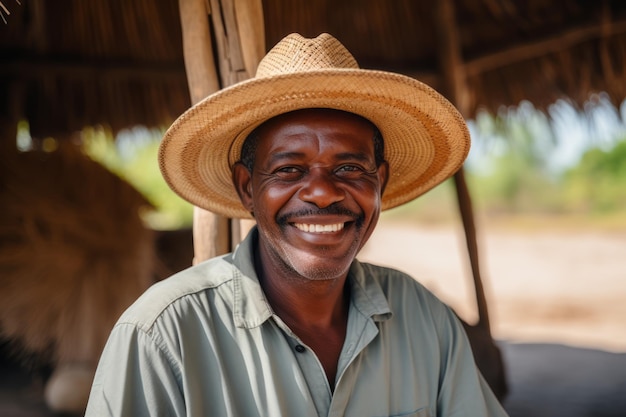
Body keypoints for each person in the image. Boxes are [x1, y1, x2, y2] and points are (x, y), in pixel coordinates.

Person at [85, 33, 509, 417]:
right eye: (289, 169)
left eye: (348, 167)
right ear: (247, 189)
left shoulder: (425, 321)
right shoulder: (164, 337)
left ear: (379, 182)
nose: (322, 193)